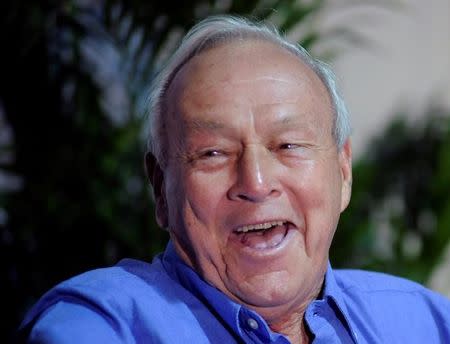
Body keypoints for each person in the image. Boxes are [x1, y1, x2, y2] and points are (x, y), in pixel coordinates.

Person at [18, 15, 450, 343]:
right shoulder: (103, 324)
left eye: (288, 145)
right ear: (161, 189)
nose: (257, 182)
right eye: (213, 153)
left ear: (343, 171)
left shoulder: (422, 321)